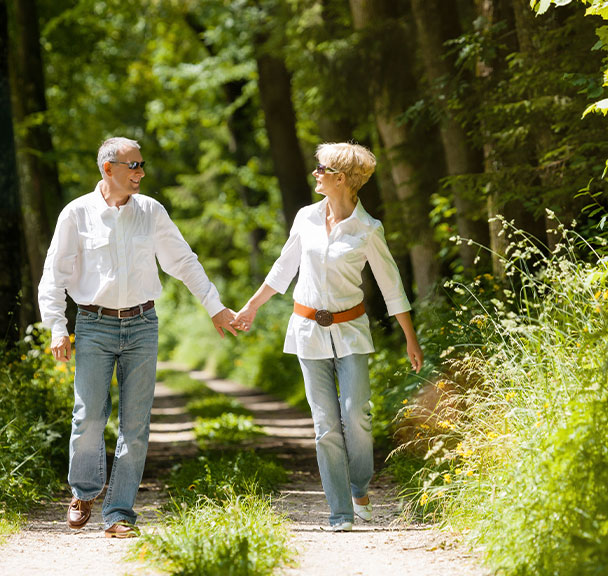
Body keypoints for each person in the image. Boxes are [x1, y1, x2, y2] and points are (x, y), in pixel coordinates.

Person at [38, 137, 238, 538]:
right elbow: (54, 275)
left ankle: (119, 512)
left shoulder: (151, 211)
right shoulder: (76, 214)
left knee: (136, 424)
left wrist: (214, 305)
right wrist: (58, 326)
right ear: (107, 169)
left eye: (142, 165)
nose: (141, 173)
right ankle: (84, 490)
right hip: (93, 326)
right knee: (89, 416)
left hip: (143, 324)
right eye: (133, 165)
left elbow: (183, 261)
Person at [233, 142, 423, 531]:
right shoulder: (305, 218)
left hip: (351, 331)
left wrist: (410, 338)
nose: (315, 173)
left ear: (341, 179)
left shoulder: (368, 229)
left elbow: (392, 287)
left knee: (356, 415)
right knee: (325, 425)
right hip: (307, 331)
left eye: (321, 169)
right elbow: (282, 269)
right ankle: (339, 513)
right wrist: (251, 306)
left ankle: (359, 486)